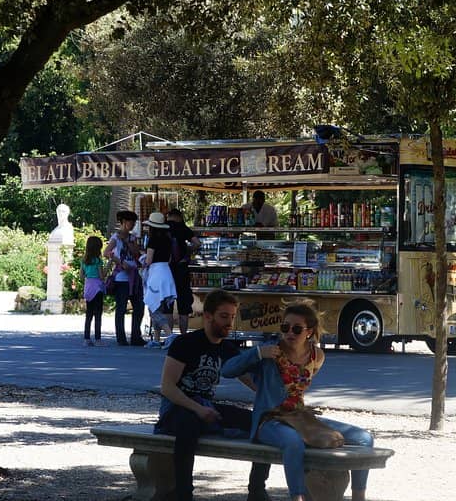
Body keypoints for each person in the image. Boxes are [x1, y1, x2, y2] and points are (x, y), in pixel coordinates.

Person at [222, 300, 374, 501]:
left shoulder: (317, 355)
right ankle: (298, 497)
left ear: (309, 332)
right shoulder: (270, 353)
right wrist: (257, 353)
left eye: (296, 329)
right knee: (294, 443)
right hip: (270, 420)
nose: (289, 333)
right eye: (285, 327)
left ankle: (358, 496)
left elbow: (298, 386)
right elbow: (227, 370)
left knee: (365, 439)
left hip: (300, 418)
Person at [155, 289, 271, 501]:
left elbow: (252, 381)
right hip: (176, 409)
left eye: (232, 317)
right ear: (208, 316)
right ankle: (183, 493)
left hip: (207, 406)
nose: (229, 322)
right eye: (224, 316)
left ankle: (257, 490)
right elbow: (167, 388)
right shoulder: (185, 344)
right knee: (188, 425)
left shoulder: (227, 349)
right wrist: (198, 409)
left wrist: (276, 400)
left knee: (263, 423)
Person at [104, 210, 145, 346]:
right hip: (121, 277)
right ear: (123, 222)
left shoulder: (132, 238)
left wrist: (129, 242)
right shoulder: (115, 237)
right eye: (129, 222)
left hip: (134, 275)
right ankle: (121, 338)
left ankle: (136, 336)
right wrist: (120, 262)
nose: (132, 225)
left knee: (139, 306)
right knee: (121, 308)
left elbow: (136, 253)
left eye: (133, 223)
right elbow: (106, 252)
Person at [142, 212, 177, 348]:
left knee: (153, 307)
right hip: (166, 272)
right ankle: (156, 339)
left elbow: (149, 260)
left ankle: (169, 334)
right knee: (159, 306)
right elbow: (169, 258)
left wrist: (142, 260)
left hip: (156, 273)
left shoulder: (152, 240)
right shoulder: (168, 239)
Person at [167, 208, 200, 334]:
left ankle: (169, 336)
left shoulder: (162, 228)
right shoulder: (183, 228)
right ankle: (183, 335)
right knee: (184, 307)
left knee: (167, 307)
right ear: (179, 216)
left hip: (167, 271)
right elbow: (197, 243)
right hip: (182, 270)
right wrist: (187, 251)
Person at [81, 235, 107, 346]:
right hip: (97, 288)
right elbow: (102, 276)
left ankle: (86, 338)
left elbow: (81, 276)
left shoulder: (84, 261)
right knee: (98, 314)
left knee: (89, 315)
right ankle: (98, 339)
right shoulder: (98, 261)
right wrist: (109, 266)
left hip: (88, 287)